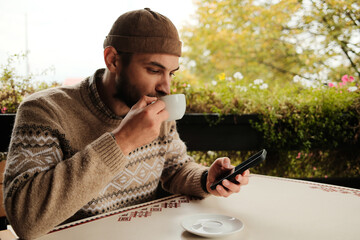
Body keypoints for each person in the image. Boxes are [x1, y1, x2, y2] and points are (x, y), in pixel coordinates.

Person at [3, 8, 250, 239]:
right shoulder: (44, 111)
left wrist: (206, 178)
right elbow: (26, 219)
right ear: (112, 60)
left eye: (171, 73)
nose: (166, 87)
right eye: (154, 70)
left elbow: (175, 169)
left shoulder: (157, 108)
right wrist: (122, 141)